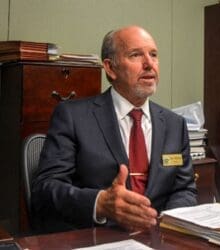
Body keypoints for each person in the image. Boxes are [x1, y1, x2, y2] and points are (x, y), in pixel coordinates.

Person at [31, 25, 198, 233]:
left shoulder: (175, 124)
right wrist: (100, 204)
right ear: (110, 68)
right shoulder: (72, 116)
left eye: (153, 55)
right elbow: (45, 190)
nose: (149, 64)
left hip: (158, 238)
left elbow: (184, 190)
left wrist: (164, 227)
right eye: (136, 55)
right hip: (98, 237)